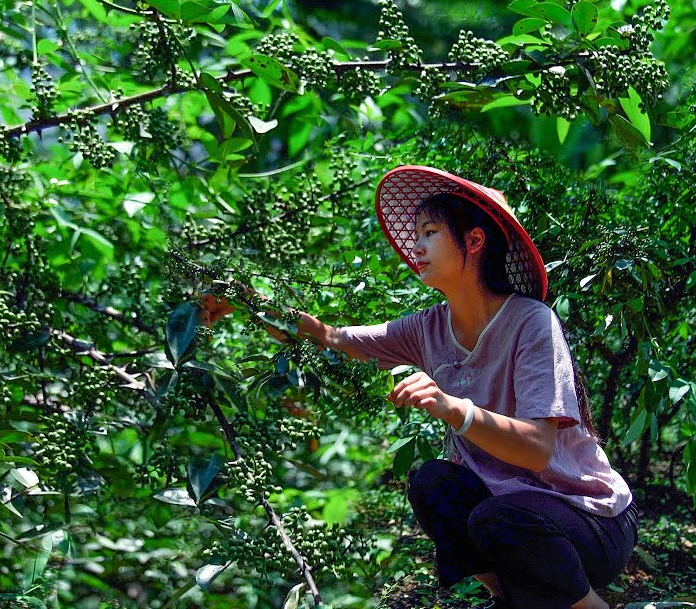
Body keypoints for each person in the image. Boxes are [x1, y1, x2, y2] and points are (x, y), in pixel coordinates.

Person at [204, 166, 636, 609]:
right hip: (514, 516)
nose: (416, 247)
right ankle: (507, 598)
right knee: (433, 483)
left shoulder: (531, 322)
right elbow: (331, 338)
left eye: (429, 232)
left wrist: (454, 408)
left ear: (473, 241)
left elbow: (537, 450)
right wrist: (245, 301)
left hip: (591, 521)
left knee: (497, 517)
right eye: (416, 234)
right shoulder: (428, 327)